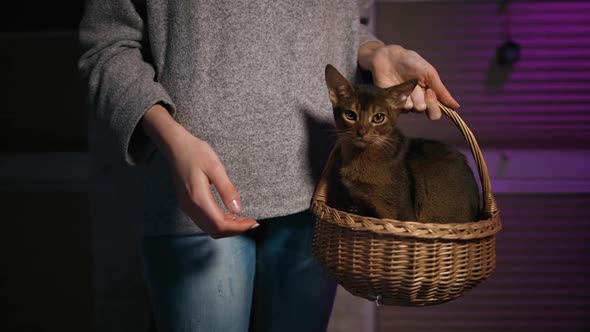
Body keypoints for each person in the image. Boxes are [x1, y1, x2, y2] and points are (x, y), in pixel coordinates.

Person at [78, 0, 460, 331]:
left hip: (317, 190)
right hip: (200, 188)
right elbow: (108, 45)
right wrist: (172, 139)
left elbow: (343, 24)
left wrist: (376, 51)